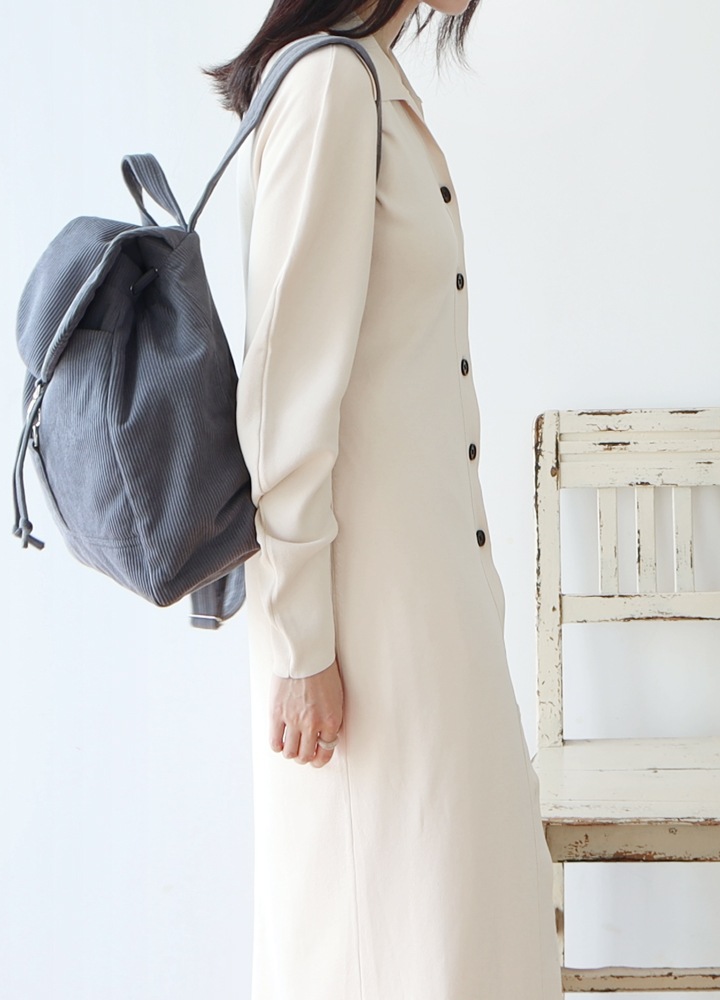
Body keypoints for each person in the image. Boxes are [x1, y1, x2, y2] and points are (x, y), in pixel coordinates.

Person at [203, 3, 565, 998]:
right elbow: (282, 399)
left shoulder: (367, 83)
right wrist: (301, 646)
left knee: (452, 932)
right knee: (395, 944)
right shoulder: (331, 86)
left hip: (422, 609)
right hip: (363, 629)